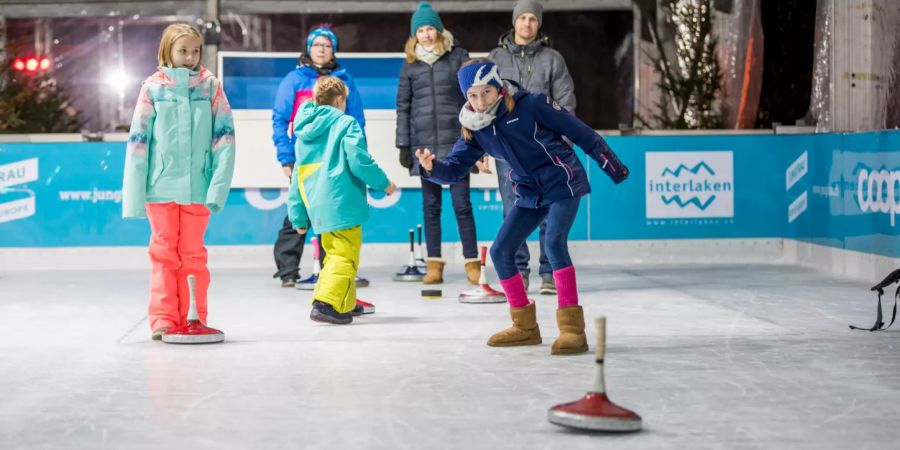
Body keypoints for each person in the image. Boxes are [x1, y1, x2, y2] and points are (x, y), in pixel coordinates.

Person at [415, 59, 628, 354]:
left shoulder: (532, 105)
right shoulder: (475, 127)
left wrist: (613, 167)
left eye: (486, 92)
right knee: (502, 251)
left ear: (499, 88)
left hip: (562, 181)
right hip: (528, 191)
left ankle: (572, 330)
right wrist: (431, 167)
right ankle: (524, 326)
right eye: (473, 96)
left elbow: (581, 133)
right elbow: (454, 169)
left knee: (553, 244)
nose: (480, 101)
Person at [122, 23, 236, 340]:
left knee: (194, 255)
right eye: (182, 50)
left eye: (194, 51)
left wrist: (217, 187)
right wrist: (133, 196)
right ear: (167, 51)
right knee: (163, 255)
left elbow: (225, 140)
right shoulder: (153, 88)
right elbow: (138, 143)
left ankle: (194, 316)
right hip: (160, 189)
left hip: (198, 189)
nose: (189, 57)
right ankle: (162, 318)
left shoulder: (210, 87)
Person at [287, 76, 397, 324]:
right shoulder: (346, 123)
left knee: (335, 254)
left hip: (316, 204)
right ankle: (326, 304)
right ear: (339, 99)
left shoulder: (303, 131)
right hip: (341, 200)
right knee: (343, 256)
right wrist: (384, 184)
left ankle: (343, 301)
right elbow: (359, 161)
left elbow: (298, 175)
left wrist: (298, 214)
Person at [486, 0, 576, 295]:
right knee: (514, 207)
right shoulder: (495, 58)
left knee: (550, 207)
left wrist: (563, 136)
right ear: (514, 22)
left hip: (546, 147)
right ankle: (519, 270)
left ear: (539, 24)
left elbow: (565, 99)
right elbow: (483, 102)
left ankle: (549, 272)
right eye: (522, 18)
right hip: (508, 148)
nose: (527, 24)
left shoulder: (553, 59)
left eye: (532, 19)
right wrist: (486, 144)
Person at [271, 24, 368, 288]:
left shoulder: (345, 80)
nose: (322, 49)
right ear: (309, 49)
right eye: (317, 45)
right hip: (306, 158)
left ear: (333, 50)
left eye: (326, 45)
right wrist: (286, 157)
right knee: (298, 208)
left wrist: (358, 154)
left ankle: (333, 267)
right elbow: (281, 120)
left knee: (334, 209)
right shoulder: (294, 79)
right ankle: (288, 270)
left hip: (337, 157)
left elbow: (357, 119)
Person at [396, 2, 480, 285]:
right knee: (430, 206)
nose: (426, 34)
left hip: (456, 143)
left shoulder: (458, 57)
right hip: (424, 147)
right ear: (414, 35)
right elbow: (403, 107)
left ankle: (472, 263)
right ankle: (434, 264)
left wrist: (476, 139)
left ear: (439, 30)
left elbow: (473, 99)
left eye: (430, 28)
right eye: (420, 30)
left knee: (462, 205)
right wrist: (404, 145)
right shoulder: (409, 65)